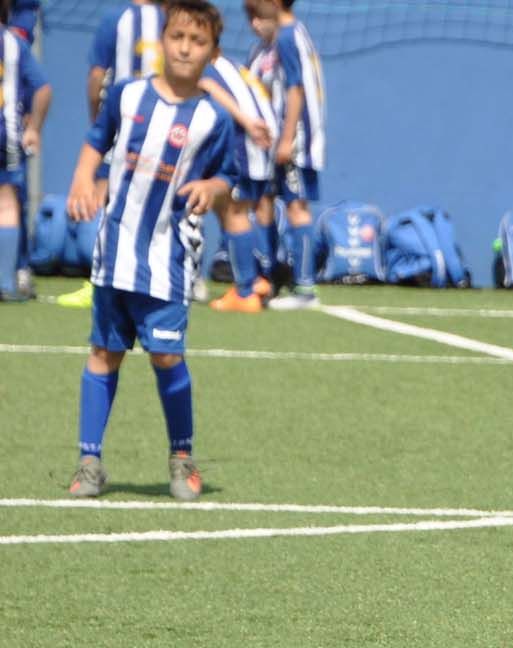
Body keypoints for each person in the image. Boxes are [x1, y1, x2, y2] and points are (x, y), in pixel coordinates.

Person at [65, 0, 237, 502]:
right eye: (178, 37)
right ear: (163, 40)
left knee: (167, 356)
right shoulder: (127, 94)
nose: (185, 48)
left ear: (212, 52)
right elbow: (97, 139)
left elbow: (230, 176)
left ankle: (182, 459)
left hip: (168, 259)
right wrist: (82, 176)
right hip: (115, 252)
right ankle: (90, 462)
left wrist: (212, 187)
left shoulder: (213, 119)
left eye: (197, 41)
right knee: (103, 354)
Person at [58, 0, 165, 310]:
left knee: (106, 197)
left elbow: (96, 78)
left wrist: (99, 120)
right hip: (171, 123)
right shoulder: (173, 17)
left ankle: (100, 281)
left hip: (126, 124)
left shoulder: (115, 19)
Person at [201, 6, 279, 313]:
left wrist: (246, 123)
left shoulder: (205, 69)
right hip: (257, 144)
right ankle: (256, 279)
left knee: (234, 211)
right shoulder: (231, 64)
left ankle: (245, 290)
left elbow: (209, 89)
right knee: (234, 210)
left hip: (244, 143)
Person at [249, 0, 324, 309]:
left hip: (293, 142)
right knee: (263, 203)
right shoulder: (272, 41)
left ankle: (305, 288)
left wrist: (288, 137)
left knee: (296, 206)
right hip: (271, 142)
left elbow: (296, 89)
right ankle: (269, 277)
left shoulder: (289, 36)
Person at [0, 0, 50, 301]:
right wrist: (33, 129)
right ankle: (7, 281)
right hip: (6, 133)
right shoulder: (14, 43)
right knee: (7, 202)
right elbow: (43, 88)